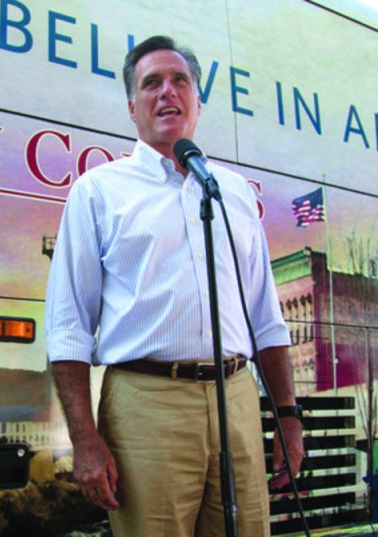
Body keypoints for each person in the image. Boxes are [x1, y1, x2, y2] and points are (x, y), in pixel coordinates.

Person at [44, 35, 304, 536]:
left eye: (179, 80)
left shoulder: (232, 192)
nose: (168, 92)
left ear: (198, 102)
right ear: (132, 107)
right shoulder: (98, 192)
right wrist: (85, 439)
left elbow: (265, 319)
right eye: (152, 83)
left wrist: (288, 417)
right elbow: (68, 327)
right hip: (146, 406)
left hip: (237, 399)